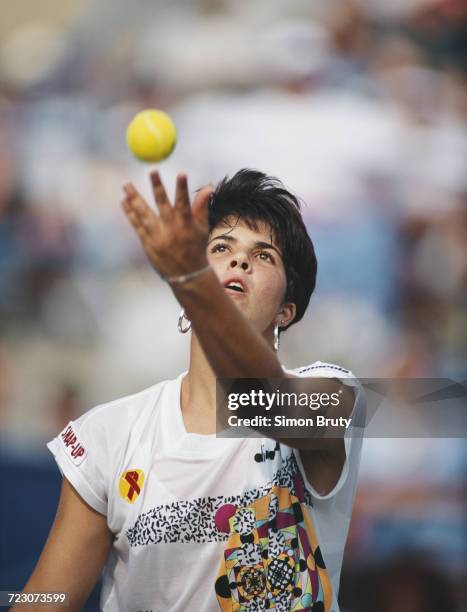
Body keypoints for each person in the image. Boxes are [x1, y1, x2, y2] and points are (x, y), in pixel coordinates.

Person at [18, 169, 365, 612]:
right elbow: (48, 601)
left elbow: (268, 399)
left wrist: (194, 280)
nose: (239, 261)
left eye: (264, 256)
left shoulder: (334, 394)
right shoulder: (109, 434)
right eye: (221, 248)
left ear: (286, 311)